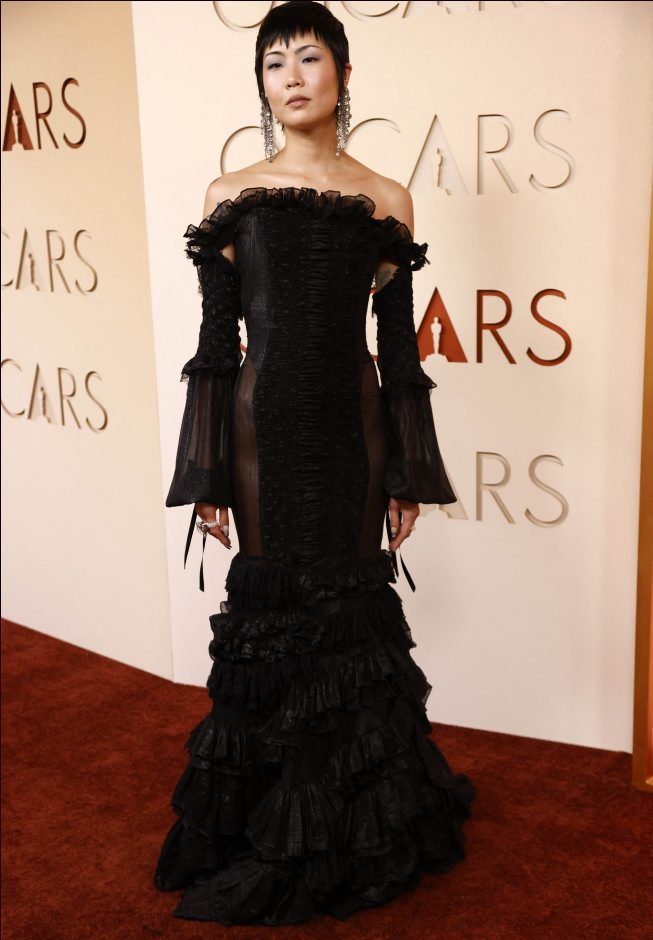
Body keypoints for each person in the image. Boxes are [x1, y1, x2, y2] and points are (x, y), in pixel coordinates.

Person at [153, 0, 476, 925]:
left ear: (342, 72)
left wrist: (408, 470)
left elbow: (398, 350)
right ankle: (272, 819)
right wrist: (207, 469)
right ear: (260, 83)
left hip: (353, 434)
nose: (290, 78)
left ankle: (351, 818)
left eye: (307, 58)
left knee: (347, 612)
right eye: (273, 63)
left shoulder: (387, 199)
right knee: (273, 611)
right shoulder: (228, 194)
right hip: (260, 430)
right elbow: (215, 345)